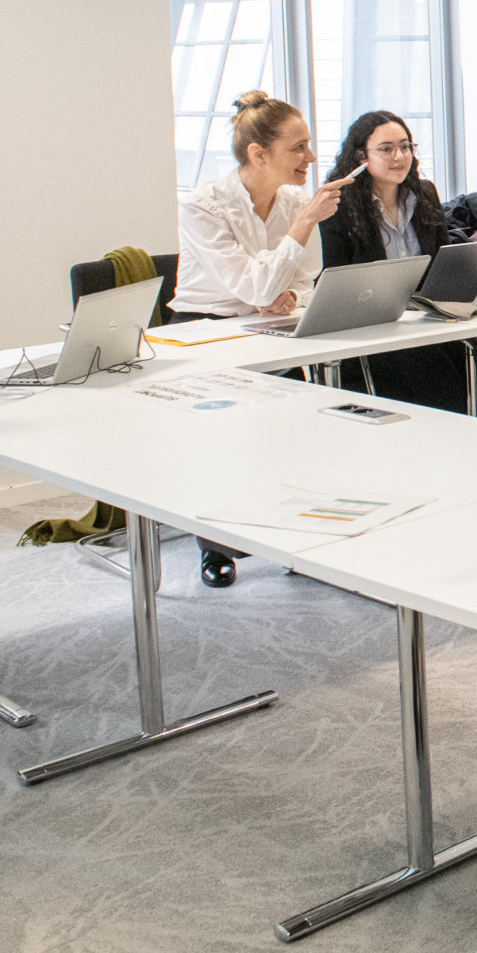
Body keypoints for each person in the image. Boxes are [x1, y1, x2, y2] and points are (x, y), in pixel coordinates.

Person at [172, 90, 343, 586]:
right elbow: (253, 287)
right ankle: (216, 546)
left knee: (298, 427)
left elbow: (305, 279)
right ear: (258, 154)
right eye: (298, 147)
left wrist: (286, 293)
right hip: (208, 333)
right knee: (226, 442)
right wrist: (303, 226)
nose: (311, 157)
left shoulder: (293, 200)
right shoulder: (203, 206)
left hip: (269, 328)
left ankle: (295, 536)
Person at [317, 111, 477, 418]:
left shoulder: (424, 194)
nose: (399, 156)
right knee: (436, 375)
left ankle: (466, 432)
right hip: (375, 327)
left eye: (405, 146)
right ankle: (447, 434)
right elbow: (334, 279)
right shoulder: (339, 204)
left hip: (424, 319)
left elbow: (444, 261)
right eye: (386, 149)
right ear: (361, 156)